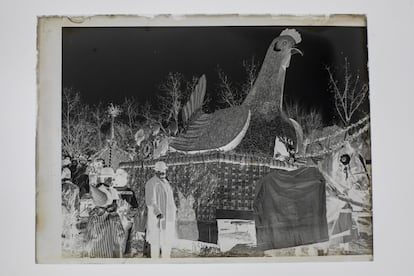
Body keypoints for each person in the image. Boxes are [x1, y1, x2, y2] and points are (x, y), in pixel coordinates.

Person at [85, 167, 125, 258]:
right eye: (109, 178)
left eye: (112, 178)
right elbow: (96, 204)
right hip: (100, 217)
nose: (111, 180)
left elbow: (115, 204)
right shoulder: (99, 189)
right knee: (99, 240)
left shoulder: (113, 190)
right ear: (105, 178)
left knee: (114, 241)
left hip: (111, 218)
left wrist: (112, 208)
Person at [145, 161, 177, 258]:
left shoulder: (166, 183)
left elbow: (170, 199)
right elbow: (150, 201)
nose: (163, 173)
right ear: (156, 171)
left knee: (167, 242)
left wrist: (174, 210)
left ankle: (166, 262)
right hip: (157, 218)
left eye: (164, 171)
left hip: (169, 218)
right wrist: (157, 213)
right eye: (161, 171)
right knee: (156, 243)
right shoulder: (151, 183)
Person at [113, 168, 139, 256]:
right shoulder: (114, 190)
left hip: (121, 220)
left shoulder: (113, 190)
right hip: (120, 219)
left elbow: (135, 207)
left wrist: (128, 215)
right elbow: (135, 207)